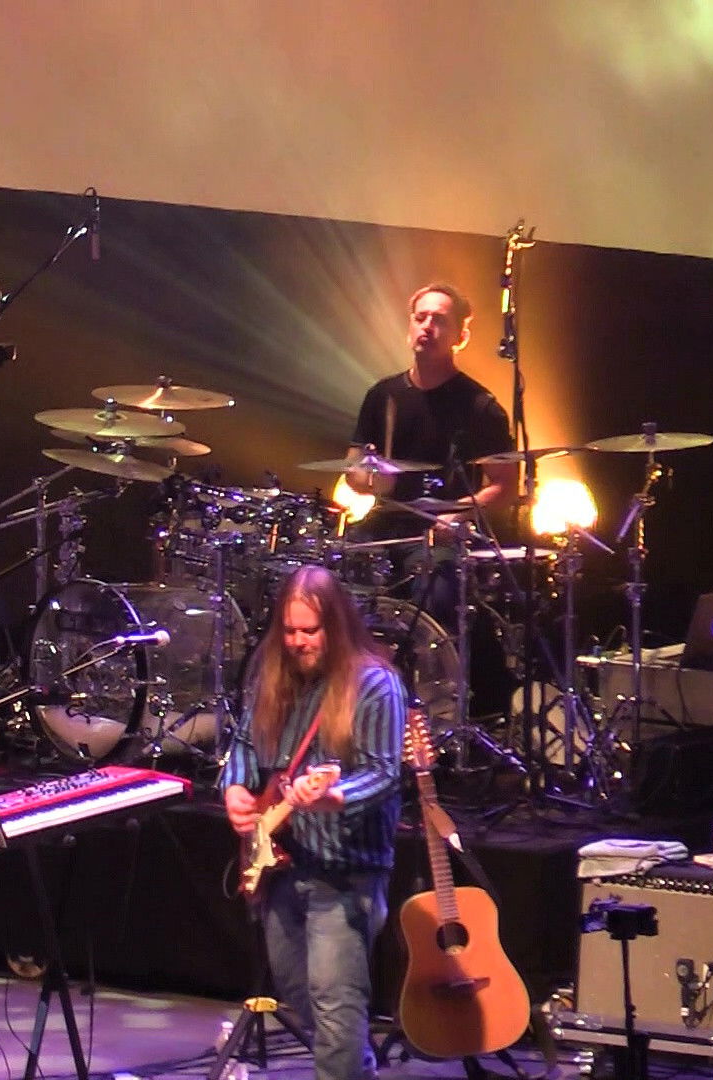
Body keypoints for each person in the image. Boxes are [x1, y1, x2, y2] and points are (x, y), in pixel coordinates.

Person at [221, 565, 404, 1080]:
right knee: (299, 994)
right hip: (283, 866)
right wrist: (235, 787)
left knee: (334, 1003)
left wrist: (333, 797)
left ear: (336, 626)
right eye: (290, 630)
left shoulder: (375, 685)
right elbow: (243, 745)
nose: (298, 642)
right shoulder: (272, 677)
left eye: (310, 630)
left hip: (345, 872)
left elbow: (385, 774)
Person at [344, 282, 516, 712]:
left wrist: (460, 515)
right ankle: (353, 701)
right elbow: (352, 469)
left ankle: (446, 705)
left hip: (445, 529)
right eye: (420, 317)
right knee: (333, 575)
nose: (427, 326)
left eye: (439, 320)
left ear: (461, 335)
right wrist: (368, 478)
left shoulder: (480, 406)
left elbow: (504, 484)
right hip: (387, 522)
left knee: (436, 591)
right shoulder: (382, 395)